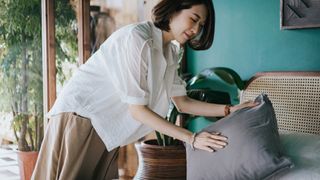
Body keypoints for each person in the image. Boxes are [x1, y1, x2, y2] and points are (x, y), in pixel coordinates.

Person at [32, 0, 257, 179]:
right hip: (82, 119)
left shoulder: (170, 51)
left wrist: (231, 110)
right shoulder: (138, 39)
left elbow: (182, 102)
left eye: (201, 25)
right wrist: (192, 138)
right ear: (173, 10)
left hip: (106, 129)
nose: (196, 29)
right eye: (194, 19)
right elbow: (137, 110)